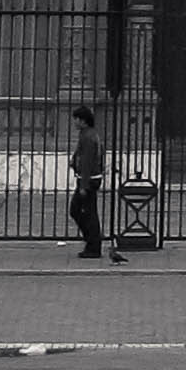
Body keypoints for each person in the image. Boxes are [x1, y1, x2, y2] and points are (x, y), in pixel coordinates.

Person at [67, 103, 115, 261]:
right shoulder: (89, 134)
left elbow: (87, 161)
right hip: (89, 178)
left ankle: (93, 243)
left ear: (83, 120)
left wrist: (83, 185)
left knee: (81, 212)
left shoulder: (88, 136)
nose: (74, 122)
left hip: (88, 180)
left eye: (76, 119)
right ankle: (92, 241)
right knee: (87, 212)